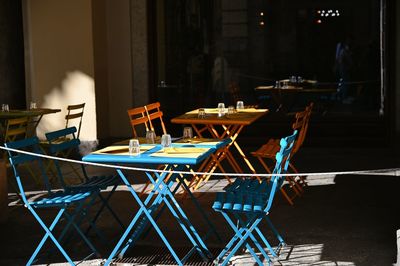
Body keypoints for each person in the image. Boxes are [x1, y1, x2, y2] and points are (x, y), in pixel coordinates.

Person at [334, 37, 353, 103]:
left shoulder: (344, 49)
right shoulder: (343, 50)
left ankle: (342, 96)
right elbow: (342, 59)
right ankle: (344, 98)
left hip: (344, 67)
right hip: (343, 67)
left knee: (345, 82)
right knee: (345, 82)